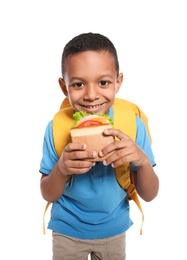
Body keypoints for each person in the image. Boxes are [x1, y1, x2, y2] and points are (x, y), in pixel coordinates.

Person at [39, 32, 159, 260]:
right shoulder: (55, 128)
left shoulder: (132, 126)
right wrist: (62, 168)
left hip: (114, 232)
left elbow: (150, 195)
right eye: (78, 84)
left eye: (103, 82)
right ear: (64, 88)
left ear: (118, 82)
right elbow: (47, 193)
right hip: (67, 231)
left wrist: (142, 162)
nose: (92, 95)